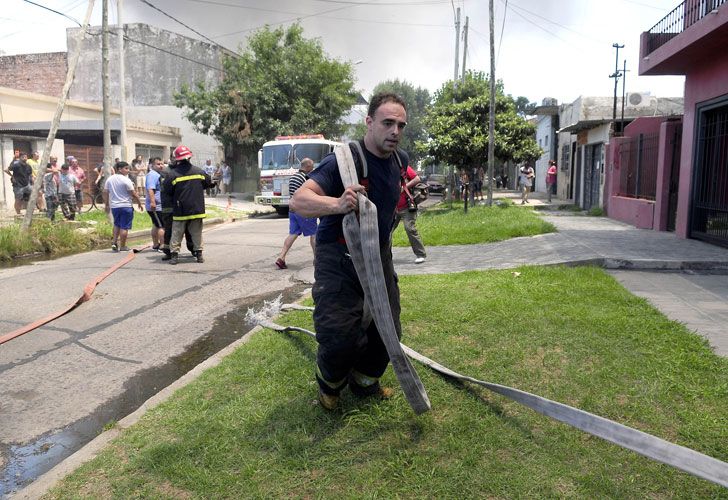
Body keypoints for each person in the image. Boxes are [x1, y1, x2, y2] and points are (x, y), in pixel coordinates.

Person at [290, 92, 407, 410]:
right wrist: (338, 203)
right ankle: (330, 386)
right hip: (339, 259)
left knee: (388, 332)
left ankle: (364, 382)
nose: (394, 131)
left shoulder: (399, 160)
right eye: (387, 123)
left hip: (378, 255)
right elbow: (299, 201)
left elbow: (390, 194)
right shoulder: (344, 161)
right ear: (369, 123)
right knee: (340, 335)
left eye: (400, 125)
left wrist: (409, 197)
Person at [163, 145, 213, 265]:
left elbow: (168, 191)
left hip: (180, 210)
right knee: (197, 233)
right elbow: (208, 183)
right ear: (189, 157)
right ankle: (199, 255)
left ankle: (174, 256)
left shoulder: (172, 174)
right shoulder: (200, 172)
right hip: (197, 209)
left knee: (177, 233)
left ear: (177, 159)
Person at [275, 157, 317, 269]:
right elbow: (310, 194)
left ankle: (281, 257)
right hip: (303, 210)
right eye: (312, 167)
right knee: (314, 234)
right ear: (308, 167)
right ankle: (317, 259)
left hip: (292, 210)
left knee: (293, 234)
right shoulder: (306, 178)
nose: (313, 169)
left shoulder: (293, 177)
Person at [103, 161, 143, 252]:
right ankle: (123, 246)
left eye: (128, 168)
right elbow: (133, 194)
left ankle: (114, 242)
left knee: (117, 224)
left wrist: (106, 204)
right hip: (126, 206)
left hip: (115, 207)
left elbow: (105, 192)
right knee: (124, 227)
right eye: (126, 168)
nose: (128, 170)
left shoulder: (110, 179)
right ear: (119, 169)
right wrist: (139, 203)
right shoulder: (126, 180)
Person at [392, 163, 426, 264]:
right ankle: (385, 255)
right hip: (392, 207)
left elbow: (417, 179)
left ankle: (420, 254)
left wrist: (404, 187)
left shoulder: (403, 167)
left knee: (409, 228)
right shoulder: (385, 168)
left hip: (407, 206)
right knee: (386, 231)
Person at [145, 157, 165, 251]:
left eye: (162, 163)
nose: (161, 166)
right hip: (156, 206)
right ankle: (162, 246)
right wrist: (153, 202)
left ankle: (156, 244)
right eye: (158, 164)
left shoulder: (157, 174)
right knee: (162, 226)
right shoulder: (152, 175)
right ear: (152, 165)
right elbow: (150, 189)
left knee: (156, 225)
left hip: (157, 206)